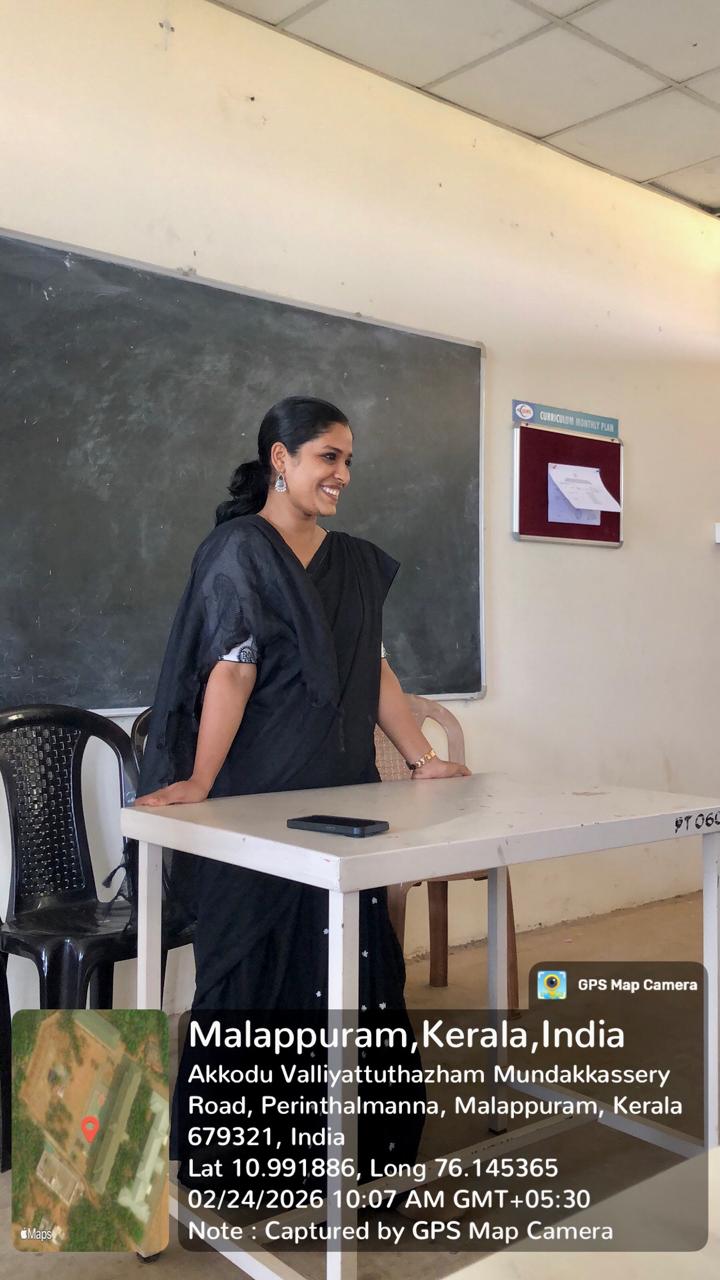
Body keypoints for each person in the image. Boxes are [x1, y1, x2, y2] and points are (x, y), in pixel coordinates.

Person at [136, 395, 470, 1183]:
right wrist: (200, 780)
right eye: (328, 456)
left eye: (348, 460)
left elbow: (374, 669)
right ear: (280, 460)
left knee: (357, 965)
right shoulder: (239, 549)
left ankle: (359, 1158)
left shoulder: (350, 560)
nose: (342, 473)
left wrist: (421, 757)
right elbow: (232, 670)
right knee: (252, 970)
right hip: (254, 801)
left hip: (345, 799)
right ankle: (244, 1166)